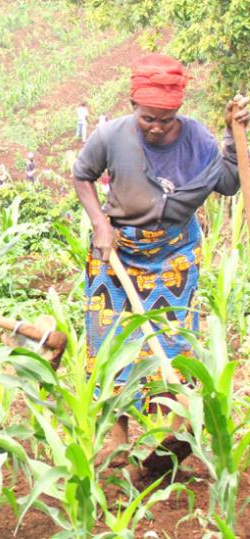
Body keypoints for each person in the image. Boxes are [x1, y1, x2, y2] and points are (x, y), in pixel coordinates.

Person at [72, 53, 248, 463]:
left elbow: (228, 181)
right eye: (147, 118)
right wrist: (100, 223)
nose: (155, 126)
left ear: (178, 113)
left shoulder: (197, 139)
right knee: (110, 342)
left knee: (171, 344)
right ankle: (116, 437)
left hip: (174, 255)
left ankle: (169, 439)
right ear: (134, 107)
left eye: (164, 120)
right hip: (118, 250)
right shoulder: (112, 136)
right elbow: (82, 175)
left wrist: (230, 136)